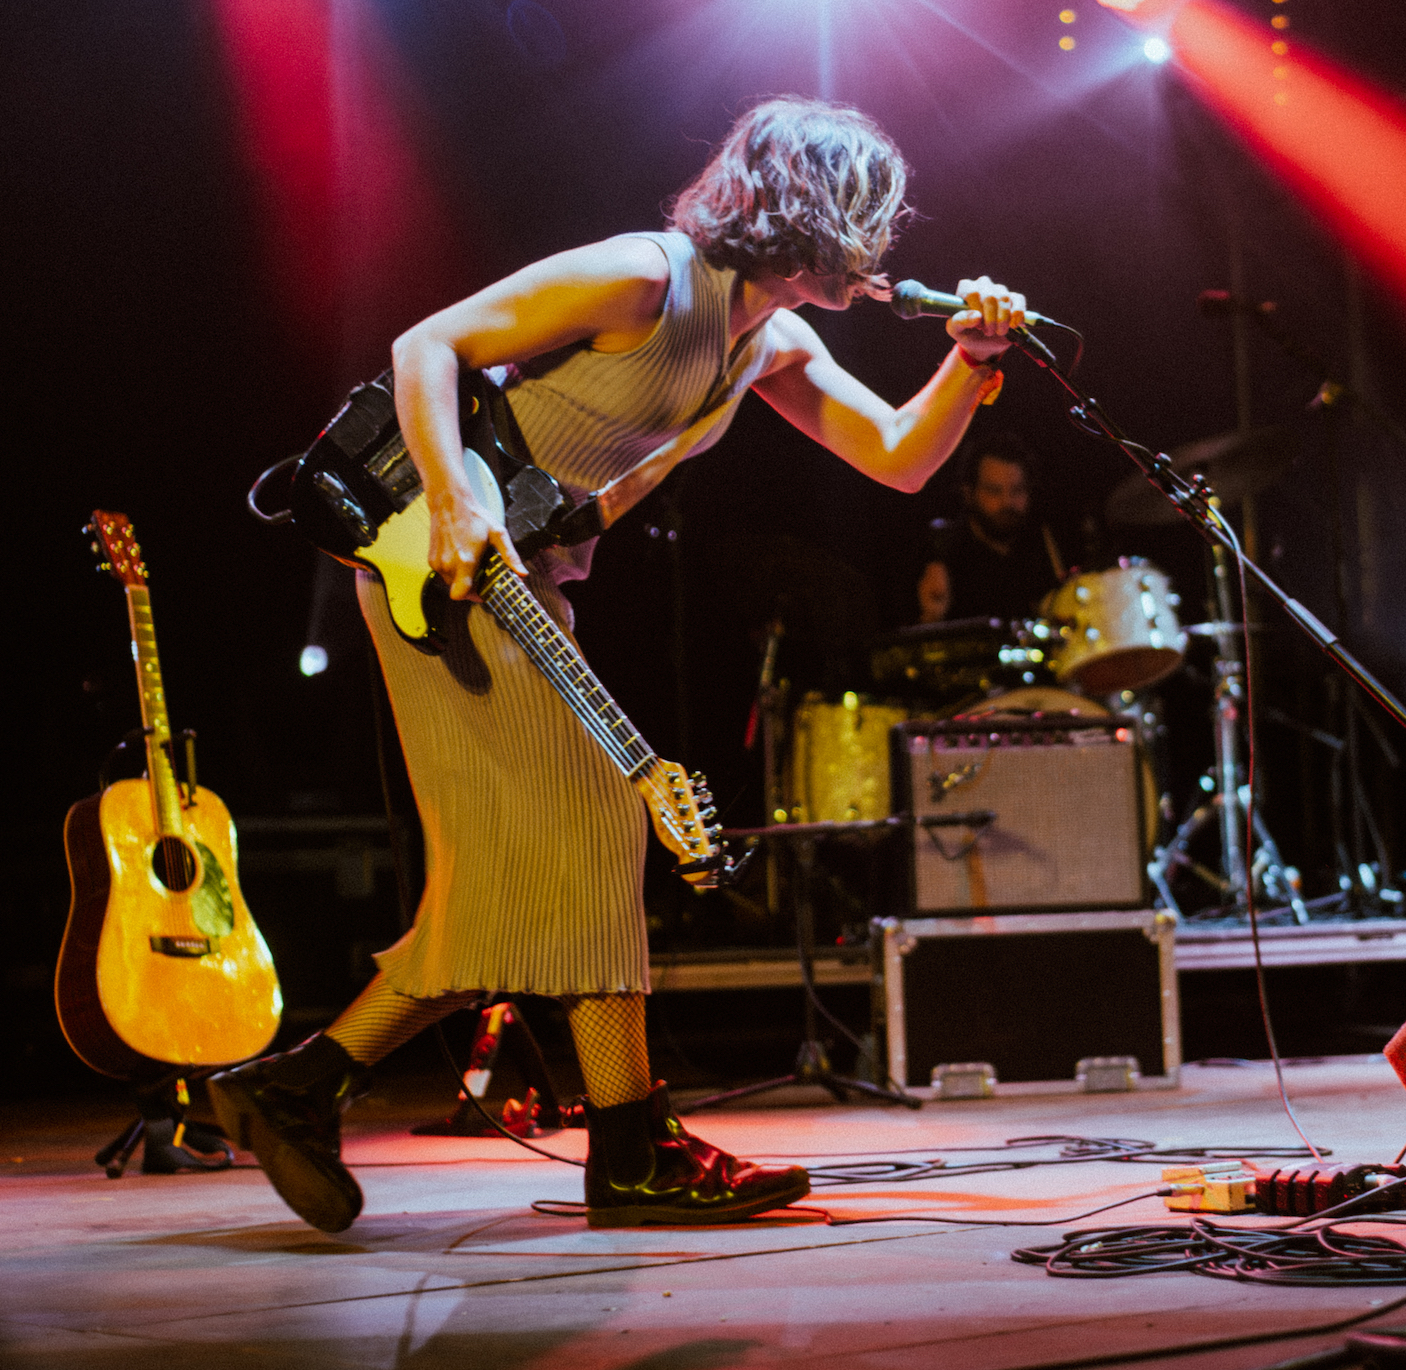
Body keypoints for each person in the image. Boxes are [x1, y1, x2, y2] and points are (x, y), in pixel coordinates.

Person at [212, 96, 1029, 1234]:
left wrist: (973, 363)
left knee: (514, 876)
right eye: (867, 215)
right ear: (807, 210)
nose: (882, 245)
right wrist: (454, 504)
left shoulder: (773, 339)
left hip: (529, 592)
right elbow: (425, 347)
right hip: (439, 572)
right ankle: (631, 1147)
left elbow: (894, 459)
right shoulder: (645, 276)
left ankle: (298, 1085)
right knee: (597, 821)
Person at [914, 431, 1067, 624]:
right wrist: (932, 617)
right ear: (969, 493)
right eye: (994, 491)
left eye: (1017, 490)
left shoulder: (1045, 540)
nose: (1007, 502)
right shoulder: (945, 554)